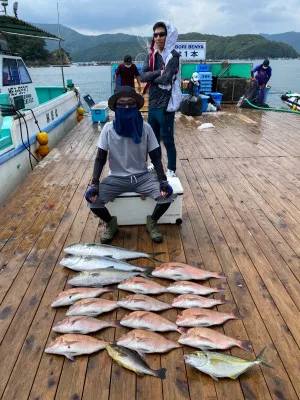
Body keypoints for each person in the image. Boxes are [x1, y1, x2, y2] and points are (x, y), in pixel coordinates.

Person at [85, 86, 173, 244]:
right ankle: (111, 223)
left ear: (137, 106)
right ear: (116, 107)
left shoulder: (146, 128)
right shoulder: (108, 129)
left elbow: (155, 156)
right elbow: (100, 158)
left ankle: (152, 221)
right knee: (92, 200)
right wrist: (94, 183)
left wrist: (163, 181)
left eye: (131, 103)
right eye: (122, 104)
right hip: (116, 177)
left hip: (142, 176)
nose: (126, 107)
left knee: (167, 197)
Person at [140, 20, 181, 179]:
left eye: (161, 34)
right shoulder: (151, 56)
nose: (158, 38)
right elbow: (143, 76)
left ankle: (171, 168)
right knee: (153, 138)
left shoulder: (173, 56)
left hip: (166, 105)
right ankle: (155, 164)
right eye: (155, 35)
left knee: (168, 138)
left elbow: (167, 79)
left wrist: (155, 76)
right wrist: (158, 72)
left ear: (168, 35)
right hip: (153, 104)